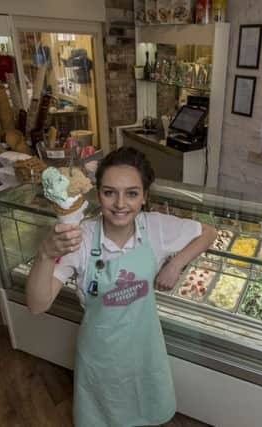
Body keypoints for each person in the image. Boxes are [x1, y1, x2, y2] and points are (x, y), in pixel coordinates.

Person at [26, 147, 217, 427]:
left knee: (145, 412)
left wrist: (175, 265)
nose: (120, 204)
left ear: (144, 197)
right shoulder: (80, 239)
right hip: (100, 357)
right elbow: (37, 304)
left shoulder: (155, 228)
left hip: (144, 352)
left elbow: (209, 232)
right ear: (98, 194)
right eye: (109, 192)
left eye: (131, 193)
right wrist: (44, 254)